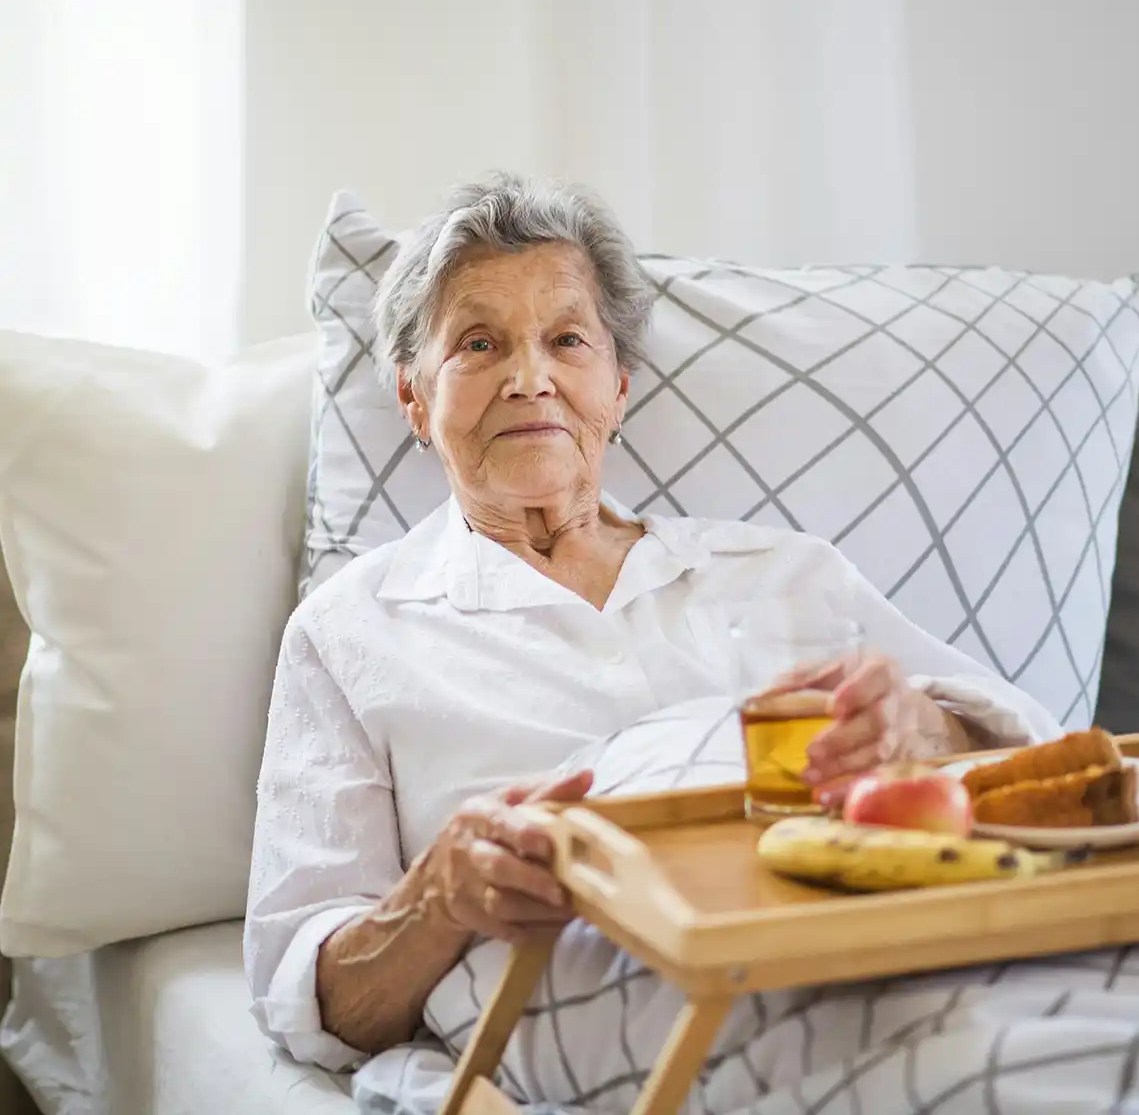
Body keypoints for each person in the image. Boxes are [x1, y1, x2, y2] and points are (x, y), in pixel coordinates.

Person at [244, 174, 1061, 1075]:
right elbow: (310, 994)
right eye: (480, 344)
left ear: (619, 388)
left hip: (889, 954)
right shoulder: (351, 632)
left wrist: (927, 729)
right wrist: (438, 898)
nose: (530, 378)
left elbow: (1052, 775)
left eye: (567, 340)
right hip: (652, 1017)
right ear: (413, 399)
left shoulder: (787, 572)